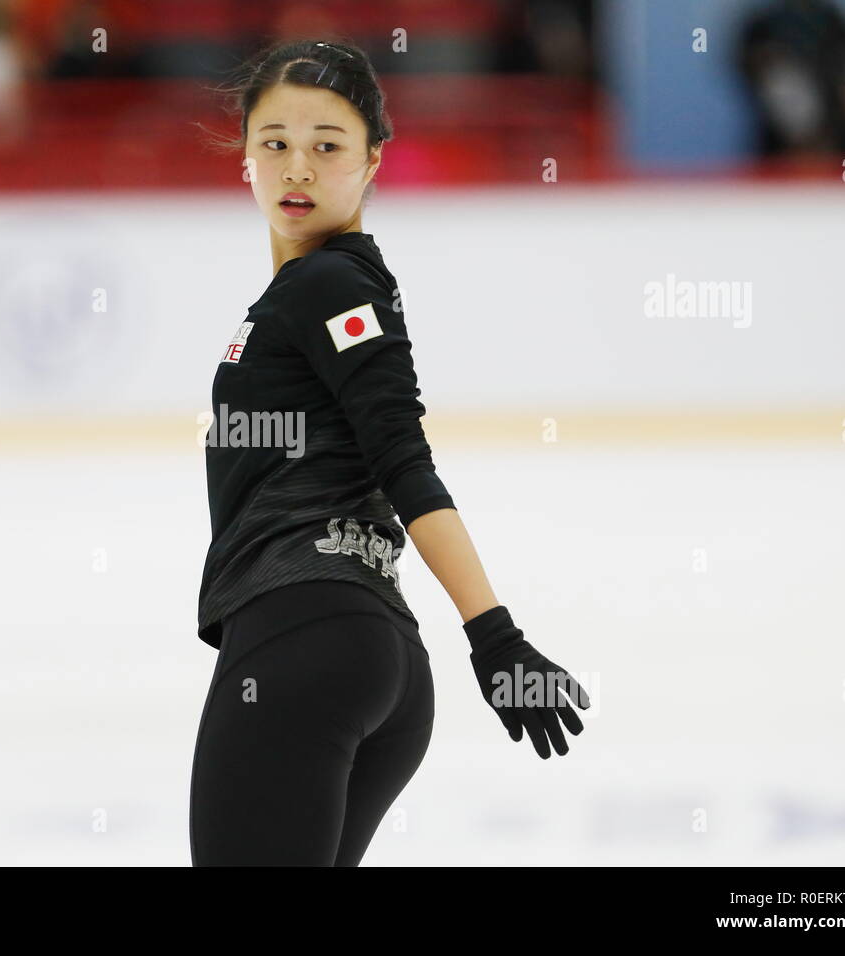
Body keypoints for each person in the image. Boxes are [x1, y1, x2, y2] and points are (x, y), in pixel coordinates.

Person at [189, 38, 590, 867]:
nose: (297, 167)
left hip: (304, 638)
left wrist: (496, 635)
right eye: (276, 143)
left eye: (327, 146)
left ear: (374, 161)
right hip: (374, 657)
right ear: (245, 159)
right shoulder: (310, 292)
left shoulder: (333, 285)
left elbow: (405, 461)